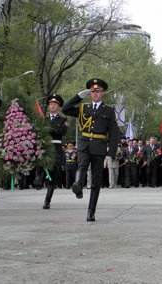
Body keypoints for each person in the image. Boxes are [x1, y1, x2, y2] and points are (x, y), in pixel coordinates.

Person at [63, 78, 119, 222]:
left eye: (98, 91)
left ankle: (91, 211)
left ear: (103, 93)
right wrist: (78, 96)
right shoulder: (83, 108)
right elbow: (66, 108)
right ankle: (78, 185)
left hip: (99, 147)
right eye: (92, 91)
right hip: (84, 144)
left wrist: (110, 154)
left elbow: (114, 133)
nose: (95, 94)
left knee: (96, 180)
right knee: (81, 165)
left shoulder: (108, 110)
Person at [42, 94, 68, 209]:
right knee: (40, 167)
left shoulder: (63, 120)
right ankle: (39, 178)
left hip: (56, 149)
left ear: (58, 107)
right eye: (51, 104)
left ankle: (47, 200)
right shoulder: (43, 119)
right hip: (45, 147)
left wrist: (49, 129)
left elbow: (62, 131)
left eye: (55, 104)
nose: (52, 106)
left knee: (52, 175)